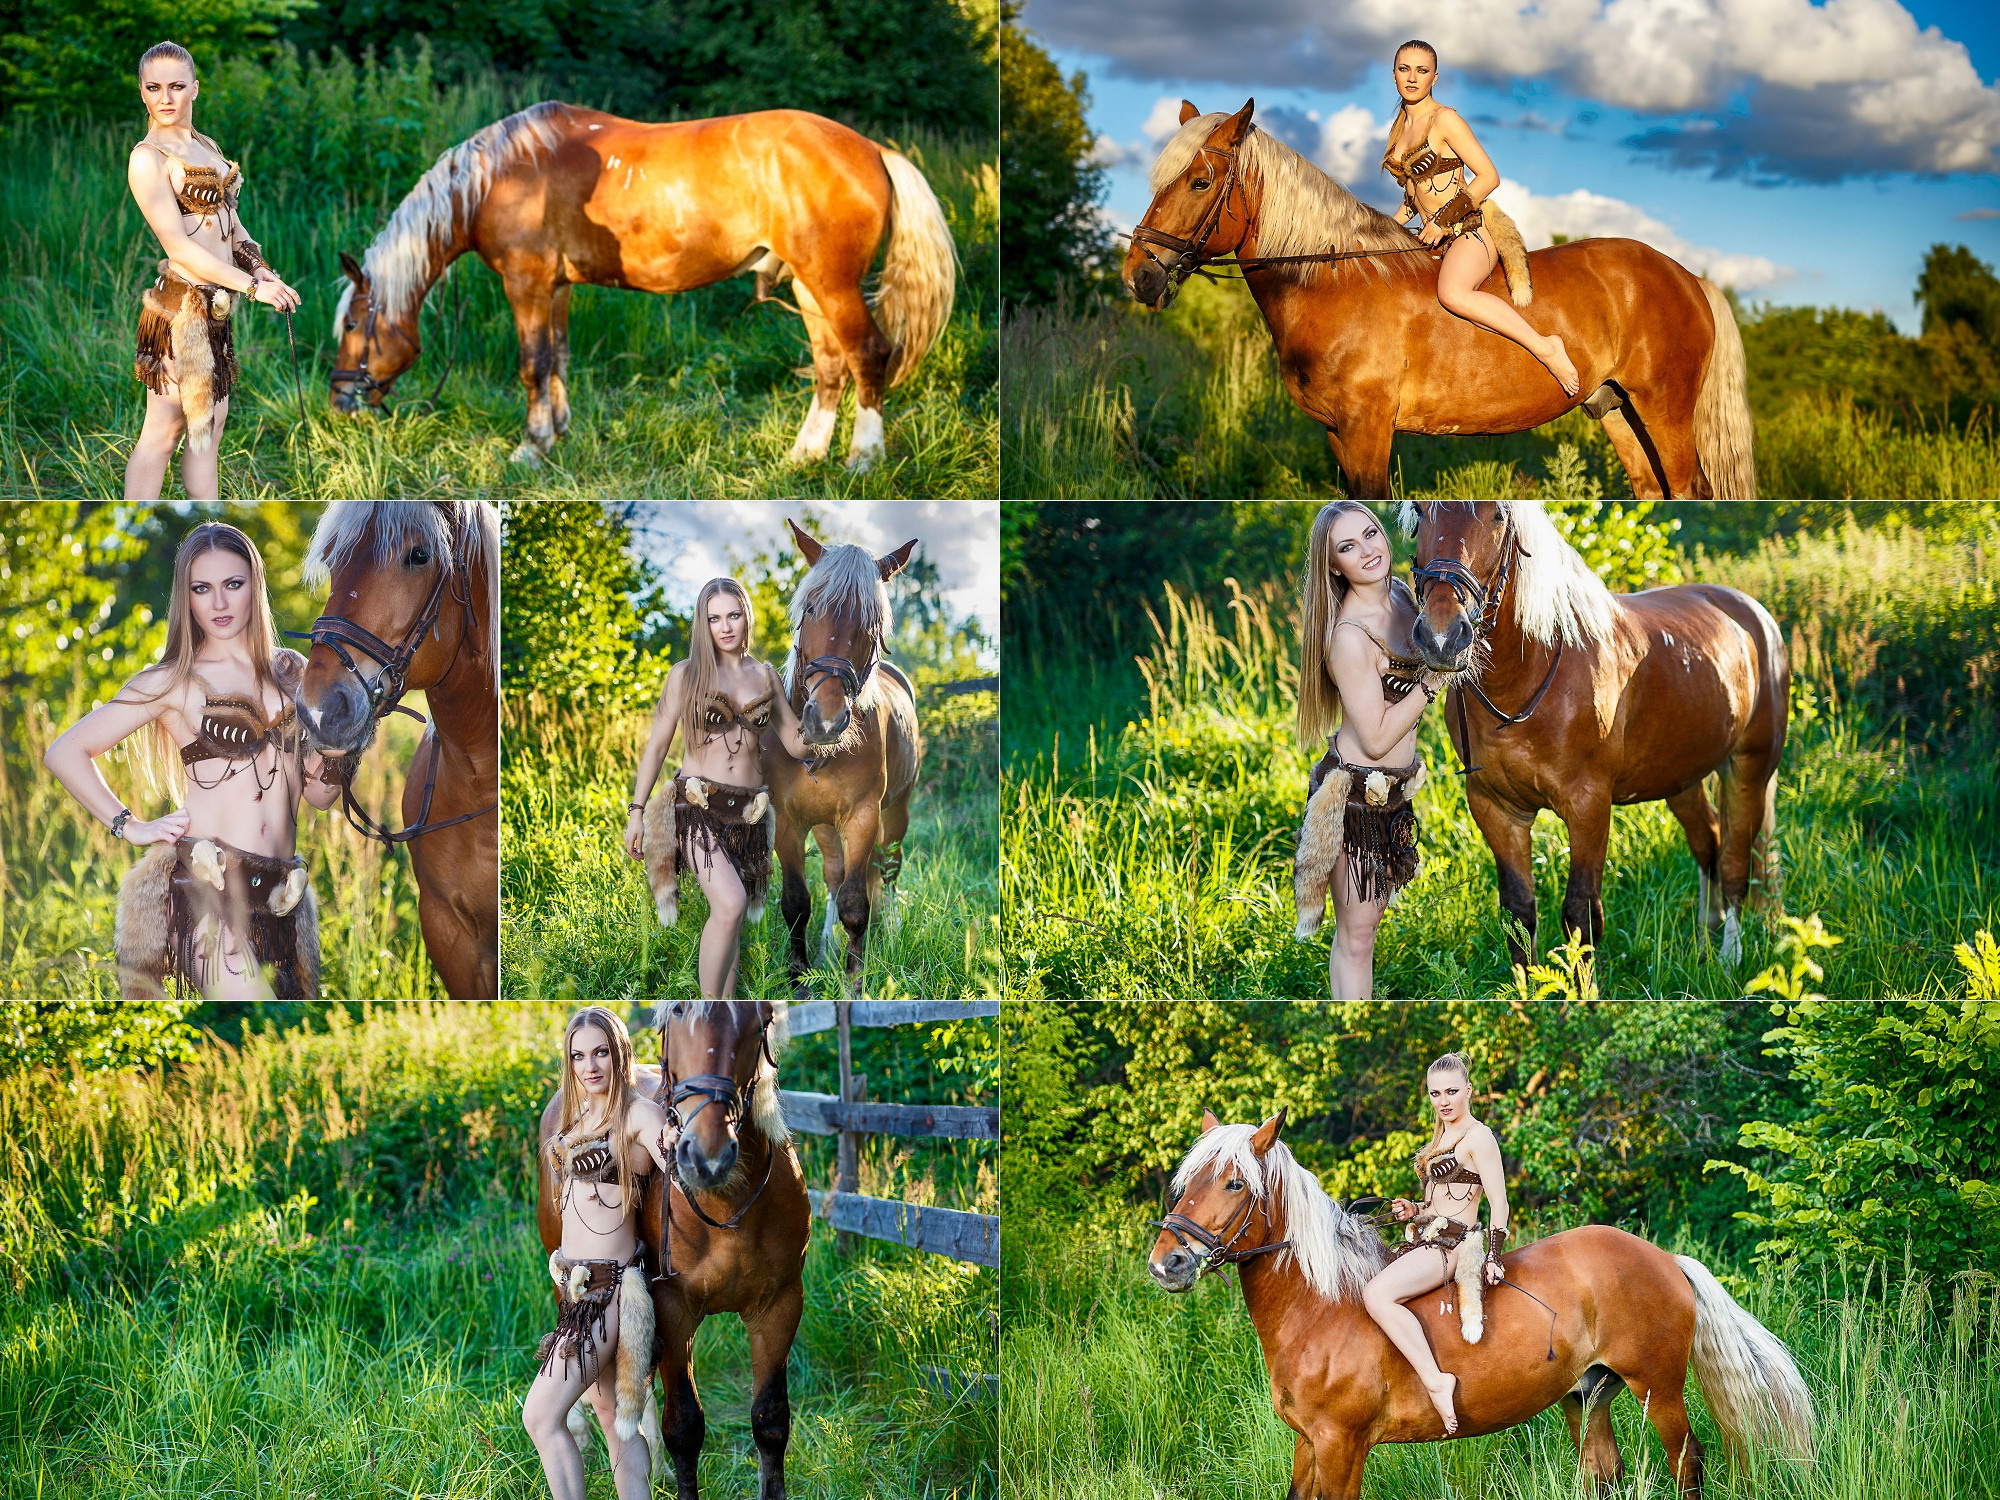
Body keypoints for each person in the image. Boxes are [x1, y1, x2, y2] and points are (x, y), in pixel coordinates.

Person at [43, 521, 341, 998]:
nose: (218, 604)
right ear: (187, 597)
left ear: (255, 586)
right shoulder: (172, 681)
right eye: (202, 589)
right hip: (210, 901)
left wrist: (343, 748)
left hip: (285, 903)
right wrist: (130, 825)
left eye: (233, 585)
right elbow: (64, 752)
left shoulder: (292, 672)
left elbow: (322, 796)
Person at [125, 41, 303, 500]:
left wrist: (261, 270)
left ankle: (209, 522)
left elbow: (232, 226)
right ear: (142, 93)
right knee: (164, 431)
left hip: (216, 309)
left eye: (177, 86)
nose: (165, 98)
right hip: (180, 310)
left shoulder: (206, 147)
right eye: (154, 87)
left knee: (209, 426)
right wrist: (249, 287)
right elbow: (178, 246)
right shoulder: (148, 158)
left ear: (195, 89)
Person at [623, 578, 816, 997]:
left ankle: (725, 1007)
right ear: (703, 623)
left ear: (746, 616)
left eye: (733, 614)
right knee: (729, 905)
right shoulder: (686, 675)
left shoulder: (765, 676)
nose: (725, 626)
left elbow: (796, 741)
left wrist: (832, 722)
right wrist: (636, 812)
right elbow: (657, 747)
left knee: (734, 912)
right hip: (697, 807)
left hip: (748, 814)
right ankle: (709, 1010)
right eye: (714, 618)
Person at [523, 1007, 675, 1500]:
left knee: (540, 1417)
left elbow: (671, 1157)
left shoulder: (636, 1113)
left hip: (609, 1295)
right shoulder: (578, 1115)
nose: (590, 1066)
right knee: (615, 1421)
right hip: (577, 1292)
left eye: (601, 1052)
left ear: (619, 1053)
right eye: (579, 1056)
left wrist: (674, 1142)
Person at [1294, 502, 1445, 999]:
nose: (1367, 551)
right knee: (1357, 938)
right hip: (1356, 800)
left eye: (1371, 534)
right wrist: (1431, 681)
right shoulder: (1348, 637)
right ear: (1334, 565)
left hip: (1394, 794)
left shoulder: (1403, 597)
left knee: (1365, 931)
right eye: (1347, 547)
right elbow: (1378, 738)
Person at [1381, 39, 1579, 398]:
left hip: (1469, 228)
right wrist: (1382, 235)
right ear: (1393, 74)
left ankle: (1546, 347)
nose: (1412, 77)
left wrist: (1442, 221)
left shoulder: (1445, 119)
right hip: (1432, 233)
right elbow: (1412, 199)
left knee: (1453, 292)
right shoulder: (1399, 128)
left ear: (1434, 78)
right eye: (1404, 69)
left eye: (1421, 70)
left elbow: (1489, 176)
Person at [1361, 1052, 1511, 1436]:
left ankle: (1435, 1380)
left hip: (1455, 1244)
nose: (1443, 1101)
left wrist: (1493, 1256)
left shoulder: (1479, 1137)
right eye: (1434, 1093)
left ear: (1469, 1091)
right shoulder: (1441, 1136)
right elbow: (1436, 1203)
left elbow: (1499, 1202)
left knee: (1376, 1295)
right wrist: (1413, 1208)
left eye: (1451, 1091)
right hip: (1429, 1234)